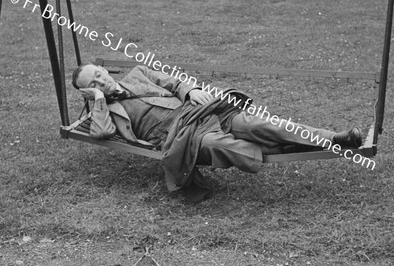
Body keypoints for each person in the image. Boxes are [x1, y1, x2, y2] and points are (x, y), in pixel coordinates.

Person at [72, 63, 363, 201]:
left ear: (103, 69)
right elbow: (100, 133)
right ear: (89, 92)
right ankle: (293, 148)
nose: (102, 81)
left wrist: (192, 90)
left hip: (201, 111)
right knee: (226, 146)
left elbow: (173, 81)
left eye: (99, 74)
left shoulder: (137, 73)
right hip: (181, 135)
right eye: (94, 84)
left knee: (258, 124)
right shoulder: (105, 111)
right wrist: (98, 99)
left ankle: (330, 138)